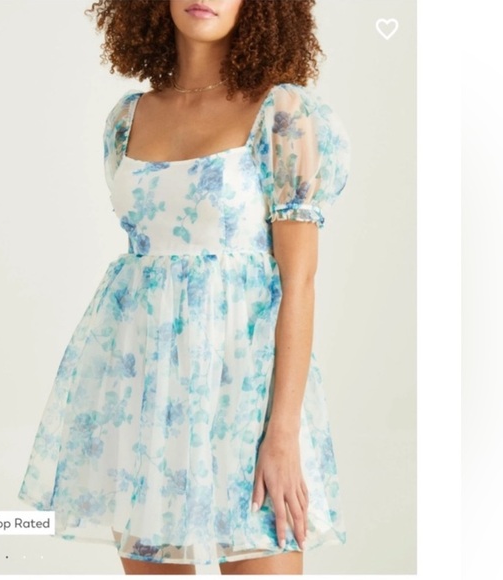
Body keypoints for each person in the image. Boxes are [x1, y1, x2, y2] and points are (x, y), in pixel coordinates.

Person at [18, 0, 351, 575]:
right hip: (141, 396)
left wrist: (282, 433)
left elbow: (298, 281)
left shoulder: (283, 113)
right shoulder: (127, 118)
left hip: (246, 397)